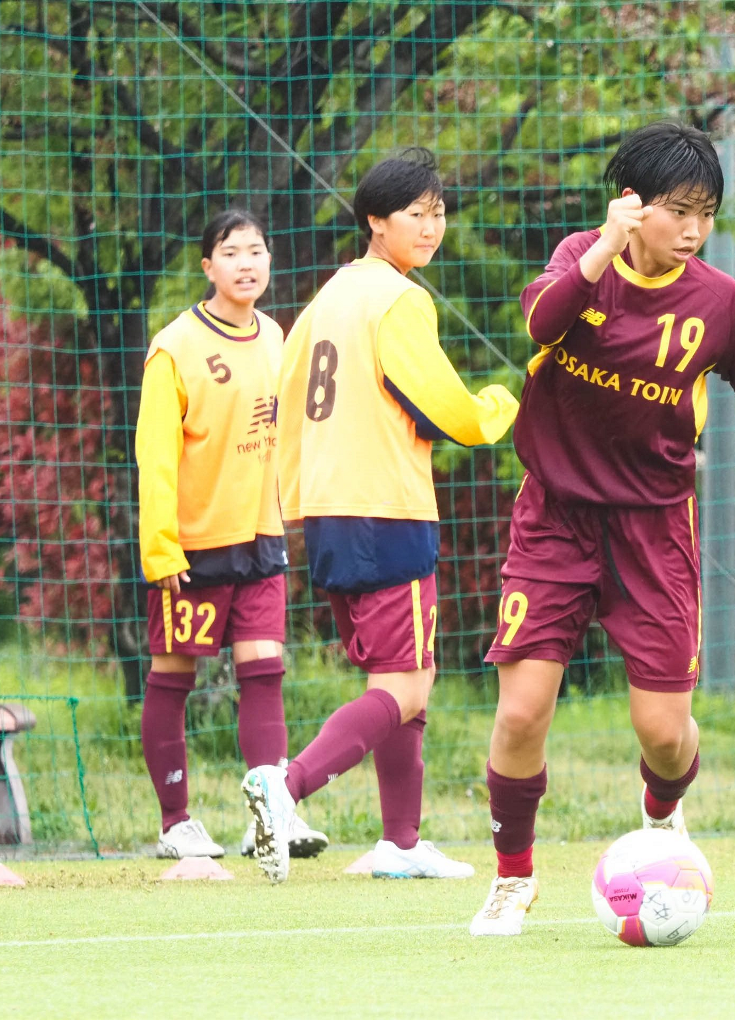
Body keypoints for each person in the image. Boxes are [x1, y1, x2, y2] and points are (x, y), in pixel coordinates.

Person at [469, 121, 735, 935]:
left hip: (654, 528)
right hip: (555, 519)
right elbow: (542, 324)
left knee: (662, 732)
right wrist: (599, 250)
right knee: (519, 714)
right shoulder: (581, 260)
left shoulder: (717, 300)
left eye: (706, 213)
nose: (693, 230)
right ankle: (513, 879)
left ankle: (662, 819)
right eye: (678, 211)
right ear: (632, 205)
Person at [241, 149, 520, 883]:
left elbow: (292, 410)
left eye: (439, 212)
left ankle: (400, 843)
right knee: (405, 688)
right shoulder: (399, 300)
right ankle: (285, 785)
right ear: (374, 221)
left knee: (405, 678)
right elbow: (450, 410)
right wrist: (502, 405)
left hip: (328, 510)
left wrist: (297, 506)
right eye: (415, 214)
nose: (431, 227)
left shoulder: (322, 301)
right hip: (386, 508)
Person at [136, 209, 327, 860]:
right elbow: (155, 460)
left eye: (257, 250)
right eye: (232, 252)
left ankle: (268, 816)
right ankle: (175, 823)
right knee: (174, 677)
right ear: (207, 267)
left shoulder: (277, 336)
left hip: (260, 540)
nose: (247, 263)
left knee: (264, 672)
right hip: (191, 547)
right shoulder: (176, 347)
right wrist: (161, 548)